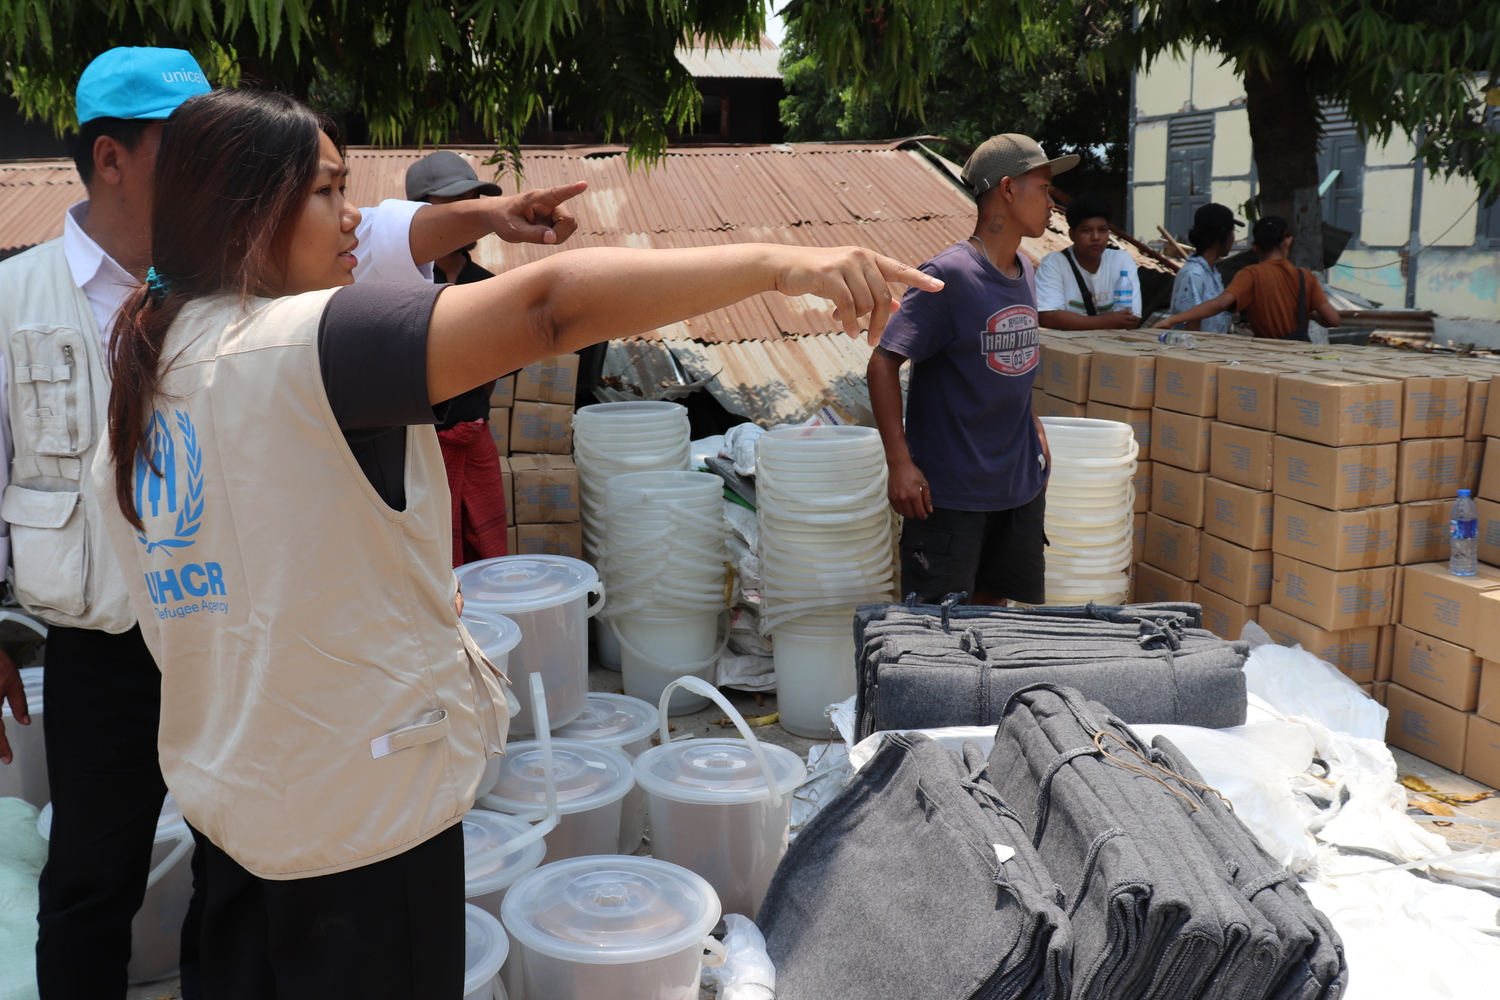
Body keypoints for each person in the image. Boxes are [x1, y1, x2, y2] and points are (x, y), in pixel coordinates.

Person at [92, 86, 938, 998]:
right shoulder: (310, 343)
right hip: (355, 828)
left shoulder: (150, 365)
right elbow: (548, 312)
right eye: (329, 193)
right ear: (248, 211)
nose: (355, 222)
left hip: (236, 816)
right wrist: (783, 263)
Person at [0, 46, 585, 1000]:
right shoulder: (17, 298)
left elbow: (371, 230)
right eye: (188, 144)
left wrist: (484, 215)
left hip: (241, 635)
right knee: (88, 881)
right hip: (103, 646)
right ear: (111, 158)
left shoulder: (259, 279)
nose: (216, 164)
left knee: (234, 855)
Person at [869, 133, 1061, 607]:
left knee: (996, 621)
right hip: (950, 496)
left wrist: (1032, 421)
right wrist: (900, 461)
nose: (1052, 202)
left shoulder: (1027, 270)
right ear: (1009, 189)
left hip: (1017, 486)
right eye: (1044, 187)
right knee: (938, 634)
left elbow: (1010, 362)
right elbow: (882, 363)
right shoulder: (949, 276)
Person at [406, 150, 508, 565]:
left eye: (474, 201)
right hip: (416, 447)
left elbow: (492, 371)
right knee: (430, 560)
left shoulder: (487, 286)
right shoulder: (399, 283)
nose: (470, 213)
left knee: (487, 555)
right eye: (456, 203)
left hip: (473, 436)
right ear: (420, 211)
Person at [1154, 215, 1342, 339]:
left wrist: (1172, 320)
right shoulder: (1305, 277)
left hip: (1267, 357)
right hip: (1300, 357)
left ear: (1254, 246)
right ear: (1288, 241)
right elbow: (1333, 320)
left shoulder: (1251, 275)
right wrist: (1302, 310)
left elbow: (1220, 304)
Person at [1035, 192, 1141, 330]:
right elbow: (1048, 317)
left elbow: (1132, 319)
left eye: (1103, 230)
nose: (1096, 237)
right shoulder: (1054, 263)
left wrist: (1073, 321)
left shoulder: (1121, 260)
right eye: (1086, 230)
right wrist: (1107, 321)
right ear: (1072, 234)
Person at [1167, 203, 1243, 334]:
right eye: (1233, 231)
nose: (1233, 239)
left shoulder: (1212, 272)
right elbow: (1192, 323)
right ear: (1222, 236)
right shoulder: (1193, 273)